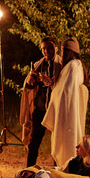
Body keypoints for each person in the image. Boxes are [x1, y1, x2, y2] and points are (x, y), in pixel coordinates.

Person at [42, 36, 89, 168]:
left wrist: (58, 109)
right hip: (67, 111)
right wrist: (52, 84)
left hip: (69, 114)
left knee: (67, 143)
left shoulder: (73, 66)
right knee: (64, 145)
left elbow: (66, 92)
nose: (61, 54)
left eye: (63, 51)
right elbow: (62, 88)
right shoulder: (70, 66)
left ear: (68, 52)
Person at [20, 37, 62, 167]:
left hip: (55, 110)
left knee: (57, 143)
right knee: (34, 143)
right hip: (41, 109)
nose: (46, 51)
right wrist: (30, 82)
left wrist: (53, 82)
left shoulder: (61, 65)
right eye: (43, 48)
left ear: (55, 48)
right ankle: (29, 170)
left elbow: (64, 85)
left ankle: (57, 171)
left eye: (49, 47)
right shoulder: (39, 65)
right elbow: (30, 88)